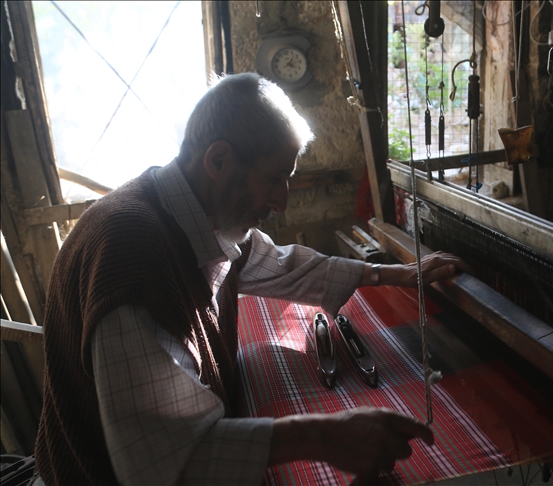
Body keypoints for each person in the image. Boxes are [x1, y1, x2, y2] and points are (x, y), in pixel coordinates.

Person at [34, 72, 467, 485]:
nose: (281, 202)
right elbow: (165, 465)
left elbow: (281, 264)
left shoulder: (193, 215)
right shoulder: (131, 252)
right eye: (274, 179)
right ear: (218, 160)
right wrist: (323, 436)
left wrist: (396, 273)